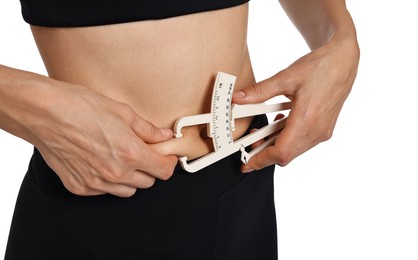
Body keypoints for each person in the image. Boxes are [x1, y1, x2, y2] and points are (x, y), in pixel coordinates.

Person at [0, 0, 359, 259]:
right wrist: (33, 107)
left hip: (246, 182)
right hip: (103, 193)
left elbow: (334, 30)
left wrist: (339, 38)